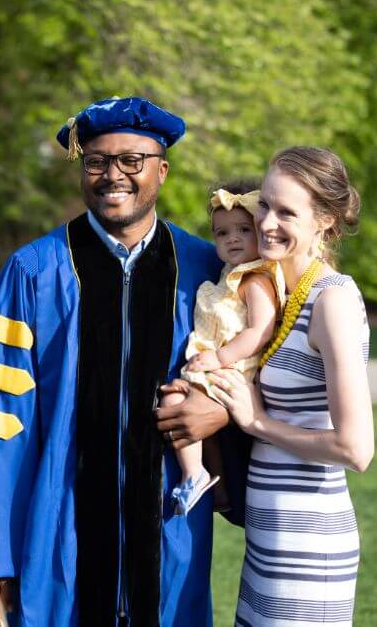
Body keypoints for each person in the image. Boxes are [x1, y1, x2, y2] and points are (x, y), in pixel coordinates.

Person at [0, 96, 249, 626]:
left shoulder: (207, 267)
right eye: (97, 161)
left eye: (132, 161)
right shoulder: (32, 272)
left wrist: (224, 412)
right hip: (58, 530)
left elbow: (261, 368)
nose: (115, 175)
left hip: (169, 528)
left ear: (162, 170)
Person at [157, 146, 374, 626]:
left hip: (308, 546)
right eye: (266, 205)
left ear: (325, 221)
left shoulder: (332, 301)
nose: (268, 222)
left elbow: (356, 448)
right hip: (269, 541)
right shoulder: (279, 292)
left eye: (287, 212)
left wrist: (258, 422)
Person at [160, 180, 283, 516]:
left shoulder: (256, 280)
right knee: (175, 403)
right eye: (222, 232)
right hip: (212, 367)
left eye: (244, 229)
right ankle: (208, 480)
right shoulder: (227, 276)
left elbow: (260, 331)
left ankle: (196, 476)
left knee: (181, 408)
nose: (232, 238)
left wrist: (219, 357)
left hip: (233, 370)